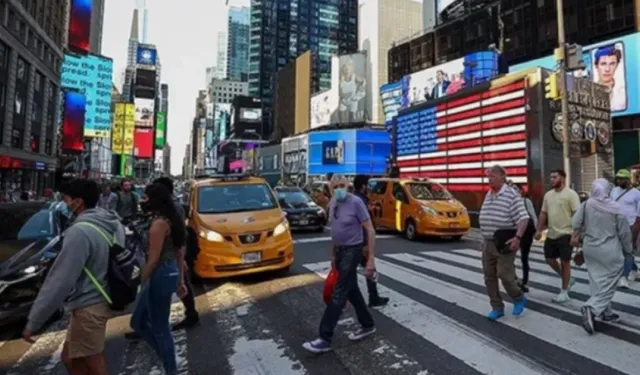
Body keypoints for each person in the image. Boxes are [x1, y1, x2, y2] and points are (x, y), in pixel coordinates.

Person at [23, 179, 125, 375]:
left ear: (78, 202)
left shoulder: (79, 232)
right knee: (70, 358)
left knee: (92, 361)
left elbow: (59, 281)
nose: (64, 204)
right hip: (102, 298)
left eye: (66, 199)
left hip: (90, 305)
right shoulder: (110, 221)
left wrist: (35, 321)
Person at [303, 174, 376, 353]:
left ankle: (324, 337)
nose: (339, 189)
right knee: (351, 290)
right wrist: (333, 255)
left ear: (348, 185)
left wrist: (371, 258)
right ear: (329, 188)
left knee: (339, 291)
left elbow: (370, 229)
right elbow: (335, 232)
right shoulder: (333, 203)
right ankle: (368, 324)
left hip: (353, 250)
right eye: (335, 187)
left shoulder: (356, 203)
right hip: (340, 251)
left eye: (342, 185)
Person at [130, 183, 187, 375]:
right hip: (167, 272)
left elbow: (153, 259)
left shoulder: (159, 224)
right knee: (138, 321)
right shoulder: (169, 219)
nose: (142, 201)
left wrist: (137, 283)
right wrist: (181, 280)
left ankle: (171, 369)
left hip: (160, 273)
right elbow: (179, 252)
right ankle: (167, 359)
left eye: (145, 198)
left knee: (160, 327)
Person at [571, 179, 631, 334]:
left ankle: (607, 313)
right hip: (610, 249)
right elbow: (624, 233)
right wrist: (628, 250)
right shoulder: (615, 208)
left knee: (597, 280)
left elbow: (575, 223)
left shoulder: (586, 205)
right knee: (612, 279)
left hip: (590, 248)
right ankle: (592, 308)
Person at [478, 166, 528, 321]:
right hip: (488, 242)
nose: (489, 179)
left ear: (502, 176)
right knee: (489, 276)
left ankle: (518, 297)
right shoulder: (489, 193)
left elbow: (523, 218)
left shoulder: (511, 194)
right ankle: (497, 307)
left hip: (504, 243)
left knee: (505, 275)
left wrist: (518, 238)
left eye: (492, 176)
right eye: (488, 176)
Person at [535, 170, 581, 303]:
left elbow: (577, 215)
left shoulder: (571, 195)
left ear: (563, 178)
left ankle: (564, 291)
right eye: (551, 177)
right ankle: (568, 278)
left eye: (555, 177)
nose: (552, 179)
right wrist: (538, 230)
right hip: (551, 233)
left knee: (565, 262)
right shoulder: (548, 195)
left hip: (566, 234)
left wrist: (576, 234)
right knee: (549, 259)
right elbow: (543, 213)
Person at [353, 174, 389, 307]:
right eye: (367, 185)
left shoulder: (357, 199)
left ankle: (373, 297)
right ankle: (372, 297)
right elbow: (363, 224)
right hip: (360, 243)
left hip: (357, 242)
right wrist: (365, 244)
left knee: (368, 269)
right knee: (368, 269)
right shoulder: (360, 201)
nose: (369, 188)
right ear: (363, 186)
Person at [609, 169, 640, 288]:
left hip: (630, 226)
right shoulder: (613, 191)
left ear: (628, 180)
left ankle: (623, 277)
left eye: (622, 178)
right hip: (615, 225)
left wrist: (635, 234)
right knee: (619, 251)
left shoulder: (637, 194)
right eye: (618, 178)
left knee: (628, 251)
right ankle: (635, 269)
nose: (619, 180)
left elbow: (638, 218)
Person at [509, 182, 537, 293]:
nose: (514, 191)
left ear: (521, 191)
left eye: (516, 188)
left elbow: (533, 215)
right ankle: (514, 279)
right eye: (511, 189)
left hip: (526, 233)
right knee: (509, 258)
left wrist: (536, 230)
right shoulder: (509, 202)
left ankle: (524, 282)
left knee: (524, 258)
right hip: (513, 232)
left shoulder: (526, 201)